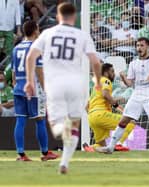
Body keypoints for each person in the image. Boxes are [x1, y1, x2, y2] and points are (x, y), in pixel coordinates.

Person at [24, 3, 102, 174]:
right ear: (74, 17)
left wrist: (29, 82)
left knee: (57, 127)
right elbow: (95, 62)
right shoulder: (82, 35)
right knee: (75, 124)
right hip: (76, 84)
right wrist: (97, 80)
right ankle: (64, 163)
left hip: (54, 84)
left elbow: (30, 57)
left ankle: (62, 129)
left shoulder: (47, 33)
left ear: (58, 17)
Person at [96, 37, 149, 155]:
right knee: (123, 120)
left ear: (148, 46)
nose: (139, 48)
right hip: (137, 93)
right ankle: (110, 147)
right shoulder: (133, 63)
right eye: (137, 46)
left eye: (141, 45)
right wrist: (123, 78)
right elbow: (130, 84)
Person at [12, 20, 59, 161]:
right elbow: (39, 70)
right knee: (40, 119)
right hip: (34, 88)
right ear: (34, 31)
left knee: (20, 120)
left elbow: (13, 72)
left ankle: (21, 154)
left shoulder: (16, 48)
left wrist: (16, 85)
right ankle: (45, 153)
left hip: (19, 87)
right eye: (38, 29)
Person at [84, 63, 135, 152]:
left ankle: (91, 148)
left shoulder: (96, 86)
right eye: (112, 71)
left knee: (101, 145)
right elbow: (105, 94)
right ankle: (118, 144)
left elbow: (86, 106)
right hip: (101, 114)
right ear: (106, 73)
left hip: (92, 117)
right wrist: (115, 104)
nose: (114, 74)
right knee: (130, 122)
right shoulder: (106, 80)